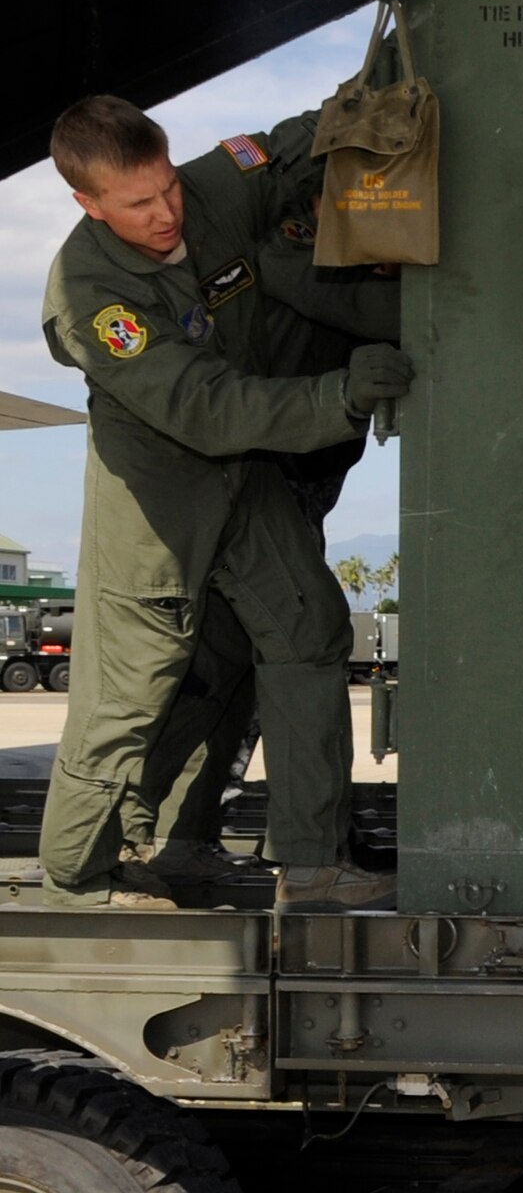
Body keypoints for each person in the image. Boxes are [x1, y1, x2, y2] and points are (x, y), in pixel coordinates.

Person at [37, 94, 412, 912]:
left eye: (167, 186)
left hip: (248, 480)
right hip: (160, 505)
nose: (168, 212)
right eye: (139, 203)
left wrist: (367, 107)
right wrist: (339, 395)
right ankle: (78, 878)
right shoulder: (93, 297)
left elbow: (282, 151)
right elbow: (207, 407)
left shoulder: (204, 189)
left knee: (308, 626)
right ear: (88, 204)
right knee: (131, 691)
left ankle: (311, 866)